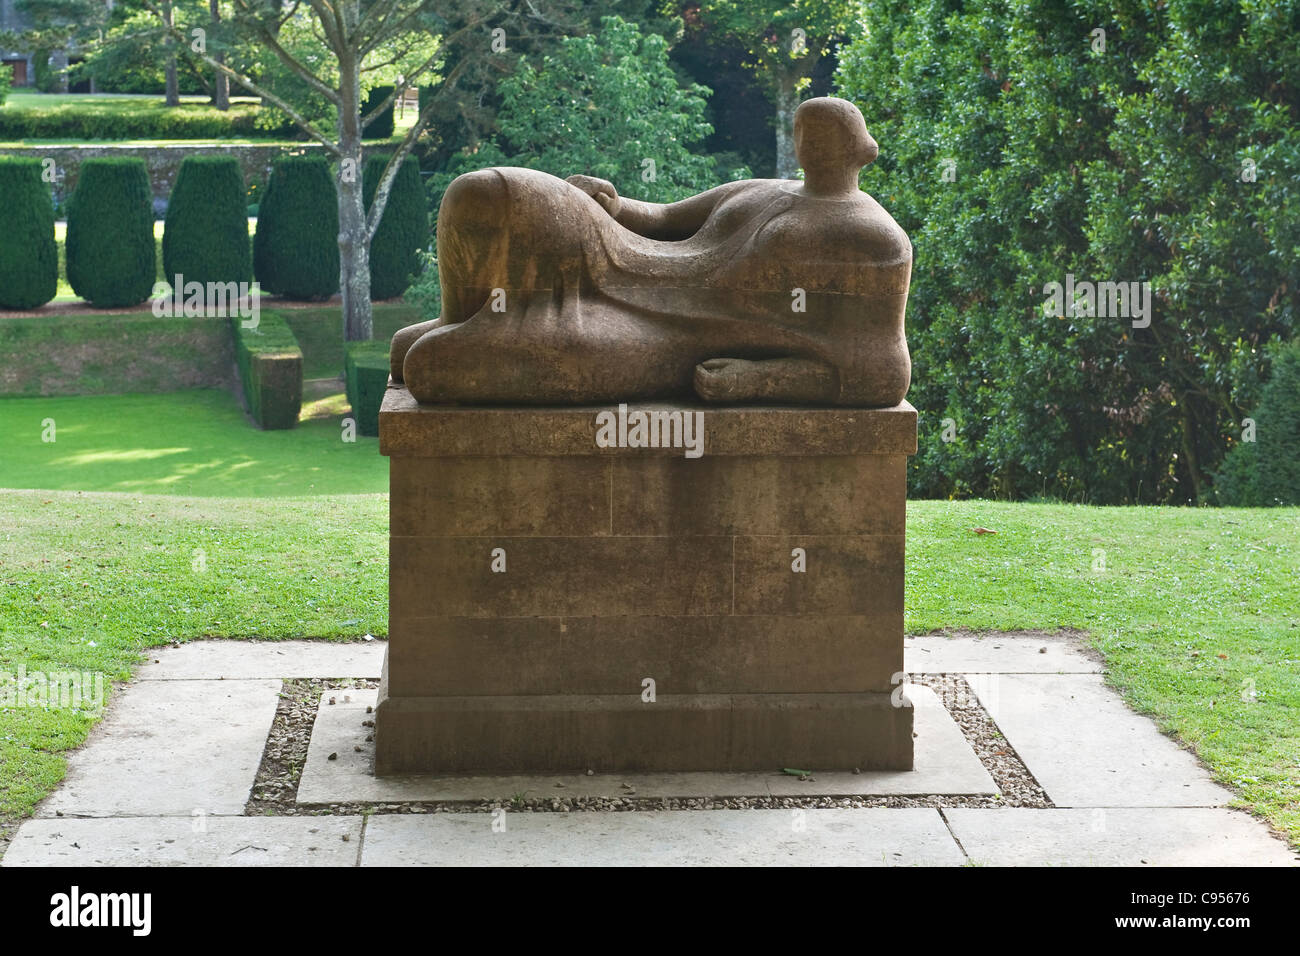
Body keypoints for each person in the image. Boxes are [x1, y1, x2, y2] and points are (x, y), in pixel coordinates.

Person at [390, 96, 912, 406]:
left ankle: (465, 333)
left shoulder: (874, 239)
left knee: (430, 367)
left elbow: (881, 374)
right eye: (805, 131)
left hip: (667, 335)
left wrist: (759, 379)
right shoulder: (768, 189)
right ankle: (463, 316)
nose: (809, 143)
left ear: (859, 147)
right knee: (482, 194)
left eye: (825, 134)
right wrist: (613, 204)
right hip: (622, 250)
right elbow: (663, 218)